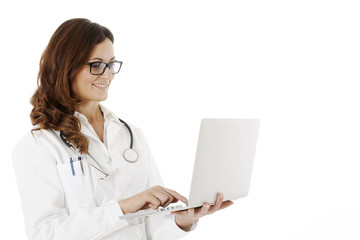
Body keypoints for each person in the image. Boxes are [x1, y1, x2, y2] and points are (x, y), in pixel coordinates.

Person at [12, 18, 233, 240]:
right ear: (66, 67)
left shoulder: (131, 135)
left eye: (111, 64)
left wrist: (180, 220)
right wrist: (122, 208)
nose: (107, 74)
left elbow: (151, 226)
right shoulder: (37, 146)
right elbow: (45, 234)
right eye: (96, 65)